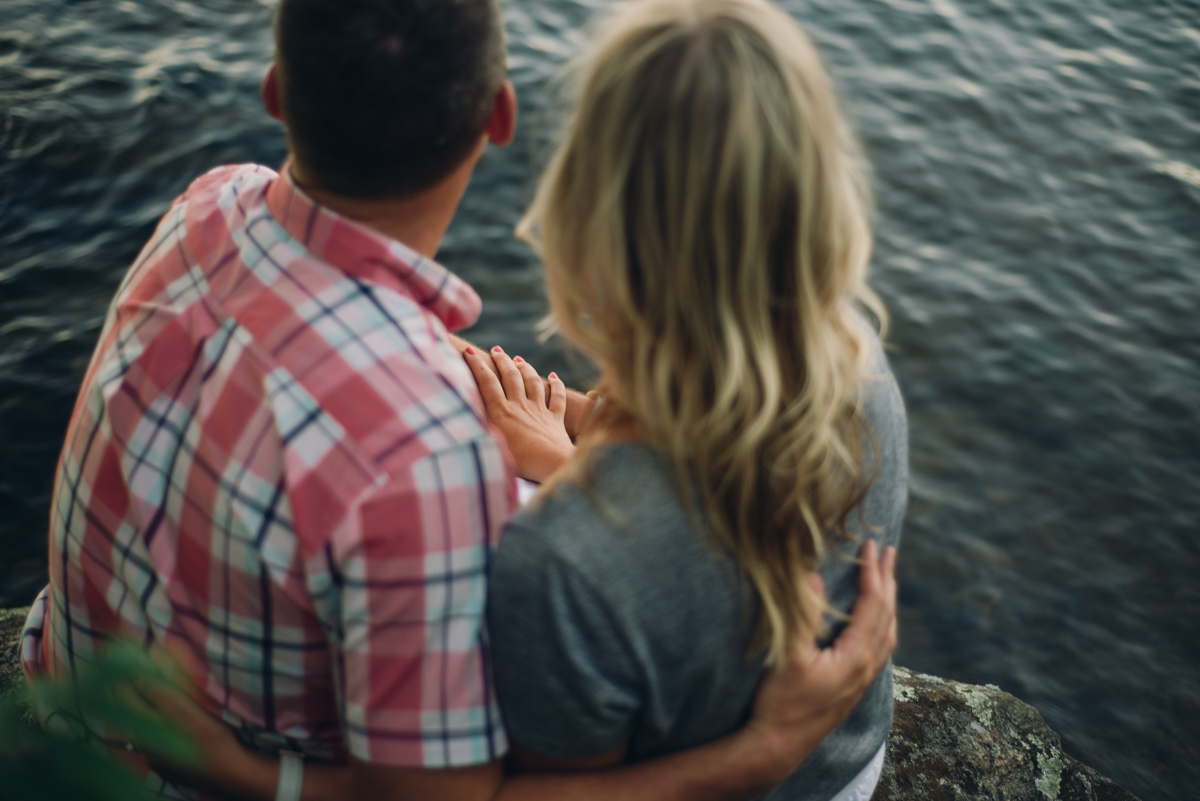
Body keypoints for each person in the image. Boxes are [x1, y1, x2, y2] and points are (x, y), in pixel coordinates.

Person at [20, 1, 897, 800]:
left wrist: (566, 472)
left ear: (276, 92)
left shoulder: (206, 204)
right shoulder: (870, 379)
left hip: (78, 694)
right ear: (500, 117)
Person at [459, 0, 910, 798]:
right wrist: (583, 451)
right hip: (847, 770)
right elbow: (709, 531)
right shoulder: (860, 357)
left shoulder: (557, 560)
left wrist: (575, 491)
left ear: (584, 212)